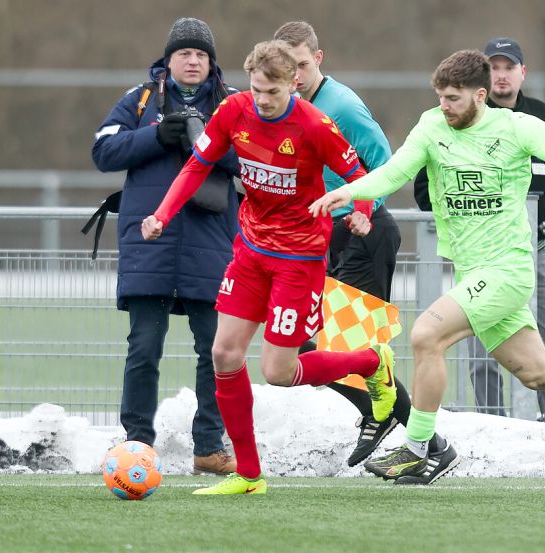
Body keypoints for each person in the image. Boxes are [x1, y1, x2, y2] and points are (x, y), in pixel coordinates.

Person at [309, 50, 545, 484]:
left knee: (426, 335)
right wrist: (346, 192)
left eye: (454, 98)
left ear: (481, 95)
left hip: (507, 271)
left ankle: (420, 450)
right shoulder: (431, 126)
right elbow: (395, 171)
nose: (445, 106)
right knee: (539, 372)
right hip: (473, 273)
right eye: (440, 96)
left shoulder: (515, 128)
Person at [141, 40, 396, 495]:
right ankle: (249, 474)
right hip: (251, 250)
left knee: (279, 371)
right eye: (257, 88)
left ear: (293, 85)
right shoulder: (233, 111)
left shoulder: (315, 125)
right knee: (224, 355)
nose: (262, 99)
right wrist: (162, 214)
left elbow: (361, 174)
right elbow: (197, 166)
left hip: (299, 259)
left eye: (272, 92)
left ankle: (373, 363)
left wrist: (362, 208)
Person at [272, 22, 452, 477]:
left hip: (362, 235)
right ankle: (389, 417)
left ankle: (425, 441)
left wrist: (365, 208)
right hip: (318, 240)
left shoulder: (343, 106)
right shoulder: (286, 108)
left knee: (351, 352)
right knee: (314, 347)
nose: (294, 74)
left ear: (320, 58)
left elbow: (386, 165)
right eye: (286, 66)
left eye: (303, 65)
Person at [91, 17, 240, 476]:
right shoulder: (139, 100)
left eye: (200, 54)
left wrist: (207, 142)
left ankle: (209, 447)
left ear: (211, 62)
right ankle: (137, 444)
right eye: (184, 54)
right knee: (144, 348)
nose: (193, 61)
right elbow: (103, 152)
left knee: (215, 351)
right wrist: (157, 136)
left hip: (211, 244)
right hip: (149, 243)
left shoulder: (234, 102)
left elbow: (259, 156)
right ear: (168, 60)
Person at [414, 36, 545, 423]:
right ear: (481, 82)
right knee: (481, 345)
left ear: (523, 73)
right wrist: (457, 219)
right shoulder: (459, 118)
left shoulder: (541, 117)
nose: (502, 75)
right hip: (479, 257)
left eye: (510, 67)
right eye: (494, 67)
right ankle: (491, 421)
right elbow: (425, 182)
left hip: (536, 246)